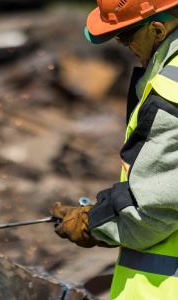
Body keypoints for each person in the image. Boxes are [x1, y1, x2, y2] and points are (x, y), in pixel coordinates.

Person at [50, 0, 178, 299]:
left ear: (157, 29)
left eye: (125, 36)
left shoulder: (170, 92)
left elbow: (152, 211)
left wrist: (93, 223)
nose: (123, 45)